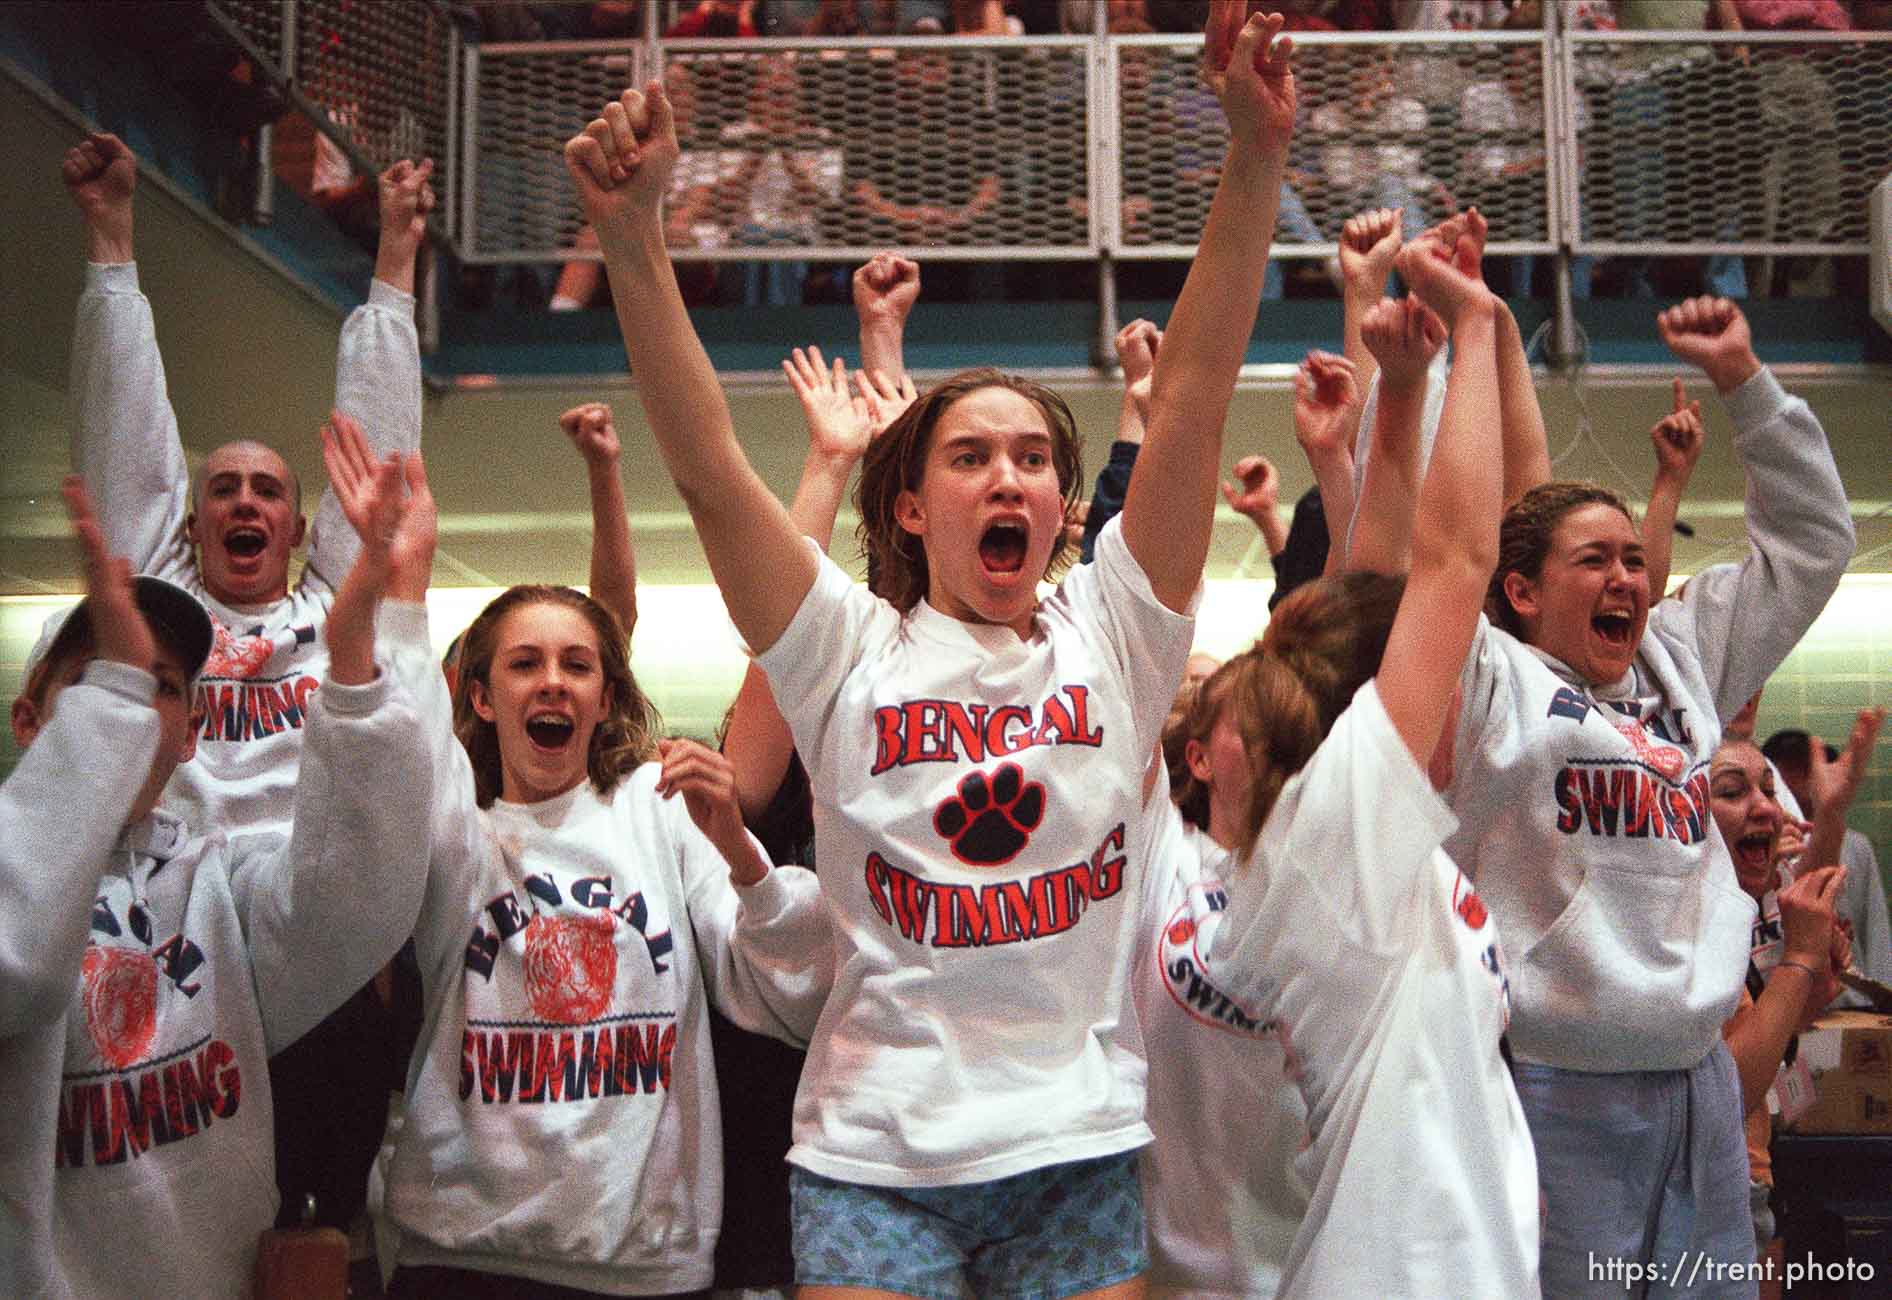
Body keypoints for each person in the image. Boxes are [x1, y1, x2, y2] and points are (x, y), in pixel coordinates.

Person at [562, 7, 1296, 1294]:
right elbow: (709, 469)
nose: (1006, 474)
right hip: (871, 1149)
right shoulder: (844, 648)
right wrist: (633, 242)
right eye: (971, 455)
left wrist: (1251, 156)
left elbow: (1191, 394)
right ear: (910, 504)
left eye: (1032, 460)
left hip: (1072, 1142)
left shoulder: (1115, 631)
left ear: (1066, 509)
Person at [309, 415, 826, 1299]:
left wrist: (737, 847)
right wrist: (399, 587)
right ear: (481, 694)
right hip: (462, 1255)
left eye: (576, 665)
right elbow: (390, 746)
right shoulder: (453, 827)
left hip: (643, 1263)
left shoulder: (660, 813)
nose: (552, 680)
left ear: (604, 695)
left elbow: (785, 985)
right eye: (524, 664)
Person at [1438, 295, 1854, 1296]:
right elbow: (1432, 548)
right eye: (1594, 560)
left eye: (1633, 557)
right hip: (1551, 1084)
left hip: (1697, 1082)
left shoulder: (1679, 660)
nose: (1626, 574)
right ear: (1523, 590)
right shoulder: (1489, 679)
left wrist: (1744, 382)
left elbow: (1811, 545)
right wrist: (1445, 357)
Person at [1191, 226, 1539, 1296]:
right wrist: (1475, 326)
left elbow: (1385, 580)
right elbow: (1455, 560)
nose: (1443, 688)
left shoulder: (1336, 830)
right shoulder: (1337, 829)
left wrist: (1401, 388)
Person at [2, 469, 431, 1298]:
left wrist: (350, 665)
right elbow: (12, 969)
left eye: (161, 686)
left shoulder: (214, 883)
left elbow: (360, 903)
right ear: (32, 720)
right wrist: (118, 708)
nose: (135, 704)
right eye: (106, 676)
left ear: (193, 733)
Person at [64, 131, 428, 837]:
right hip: (170, 894)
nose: (245, 501)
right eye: (223, 488)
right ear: (191, 524)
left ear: (298, 529)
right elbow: (125, 435)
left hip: (296, 901)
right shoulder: (160, 613)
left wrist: (396, 256)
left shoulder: (335, 615)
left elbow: (377, 431)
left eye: (268, 490)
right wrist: (110, 234)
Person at [1709, 727, 1857, 1298]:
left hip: (1754, 1171)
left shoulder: (1738, 914)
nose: (1766, 807)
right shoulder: (1687, 934)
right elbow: (1733, 1086)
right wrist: (1798, 960)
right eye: (1731, 791)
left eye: (1769, 790)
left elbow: (1752, 1045)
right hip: (1715, 1182)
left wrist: (1801, 997)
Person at [1762, 721, 1892, 1006]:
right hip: (1781, 1005)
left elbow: (1876, 926)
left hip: (1853, 1002)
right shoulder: (1760, 848)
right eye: (1781, 781)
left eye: (1803, 773)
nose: (1795, 785)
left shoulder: (1855, 845)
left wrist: (1884, 996)